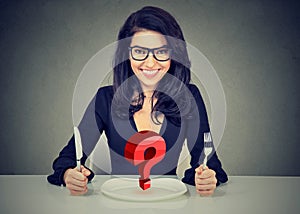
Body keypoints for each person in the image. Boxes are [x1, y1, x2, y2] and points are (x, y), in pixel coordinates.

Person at [47, 6, 228, 196]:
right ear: (126, 54)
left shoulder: (188, 96)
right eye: (140, 51)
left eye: (161, 51)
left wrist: (206, 177)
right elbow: (67, 159)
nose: (150, 63)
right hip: (117, 202)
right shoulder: (105, 98)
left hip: (169, 203)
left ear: (173, 54)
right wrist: (69, 174)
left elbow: (209, 164)